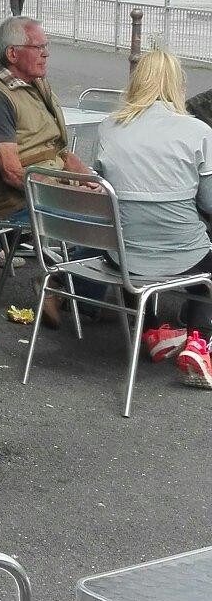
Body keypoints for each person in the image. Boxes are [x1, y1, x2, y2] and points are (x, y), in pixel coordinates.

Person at [93, 48, 212, 388]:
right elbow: (209, 202)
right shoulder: (197, 131)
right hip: (184, 257)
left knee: (132, 232)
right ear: (178, 84)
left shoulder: (109, 128)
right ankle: (199, 340)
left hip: (124, 258)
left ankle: (153, 329)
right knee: (204, 254)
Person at [0, 18, 91, 223]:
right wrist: (63, 192)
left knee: (116, 206)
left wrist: (92, 182)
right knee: (101, 222)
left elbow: (60, 151)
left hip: (50, 192)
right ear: (12, 53)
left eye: (45, 46)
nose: (46, 53)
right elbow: (12, 173)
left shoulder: (34, 84)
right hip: (21, 206)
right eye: (38, 47)